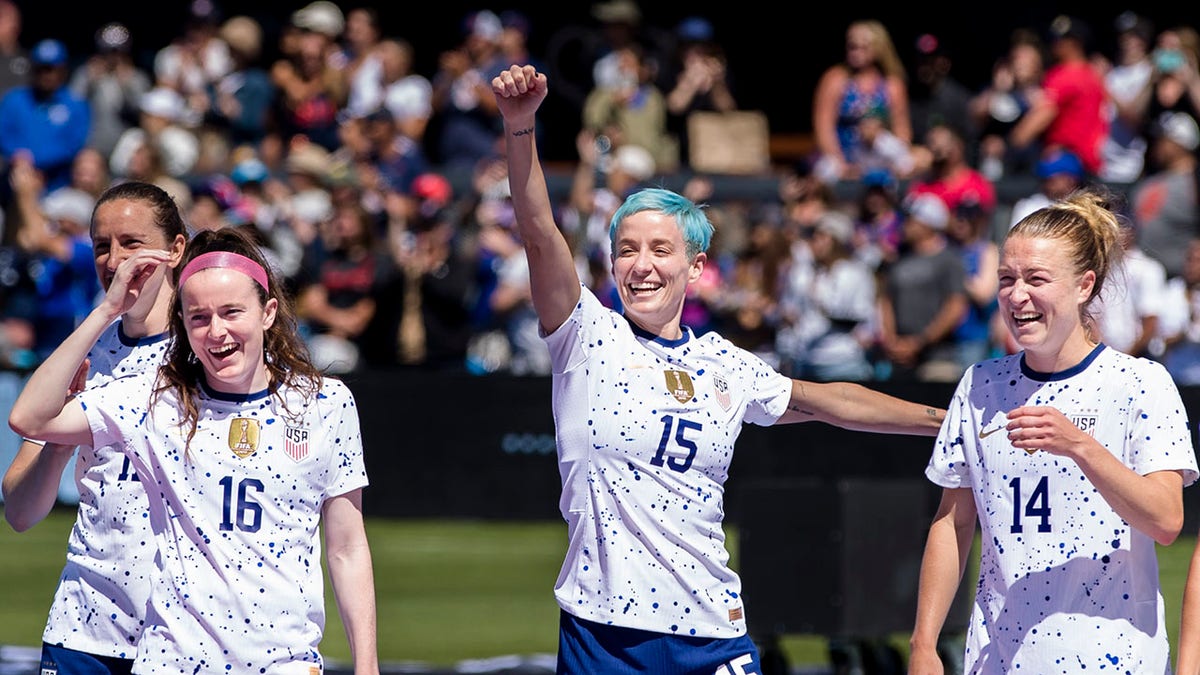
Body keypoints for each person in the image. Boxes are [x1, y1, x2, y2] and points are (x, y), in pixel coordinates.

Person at [491, 63, 945, 675]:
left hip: (712, 628)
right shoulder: (585, 334)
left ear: (695, 267)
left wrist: (945, 420)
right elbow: (540, 232)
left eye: (659, 249)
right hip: (604, 633)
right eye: (626, 249)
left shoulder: (724, 363)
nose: (641, 265)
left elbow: (827, 400)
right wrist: (521, 128)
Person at [7, 225, 379, 675]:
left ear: (268, 313)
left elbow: (347, 547)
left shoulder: (325, 403)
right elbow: (30, 418)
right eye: (199, 317)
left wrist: (367, 665)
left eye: (232, 312)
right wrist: (107, 309)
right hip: (172, 663)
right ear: (182, 323)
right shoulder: (153, 399)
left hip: (285, 663)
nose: (216, 331)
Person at [907, 188, 1198, 674]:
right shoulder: (981, 384)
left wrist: (1079, 446)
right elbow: (953, 521)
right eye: (1006, 279)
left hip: (1114, 660)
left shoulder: (1140, 384)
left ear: (1084, 285)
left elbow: (1166, 520)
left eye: (1036, 279)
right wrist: (923, 643)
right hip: (998, 657)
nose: (1017, 295)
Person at [1, 181, 186, 674]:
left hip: (186, 632)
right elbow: (18, 511)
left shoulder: (210, 350)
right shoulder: (84, 350)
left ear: (176, 249)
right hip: (83, 627)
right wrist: (61, 441)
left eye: (131, 242)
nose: (115, 259)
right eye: (102, 245)